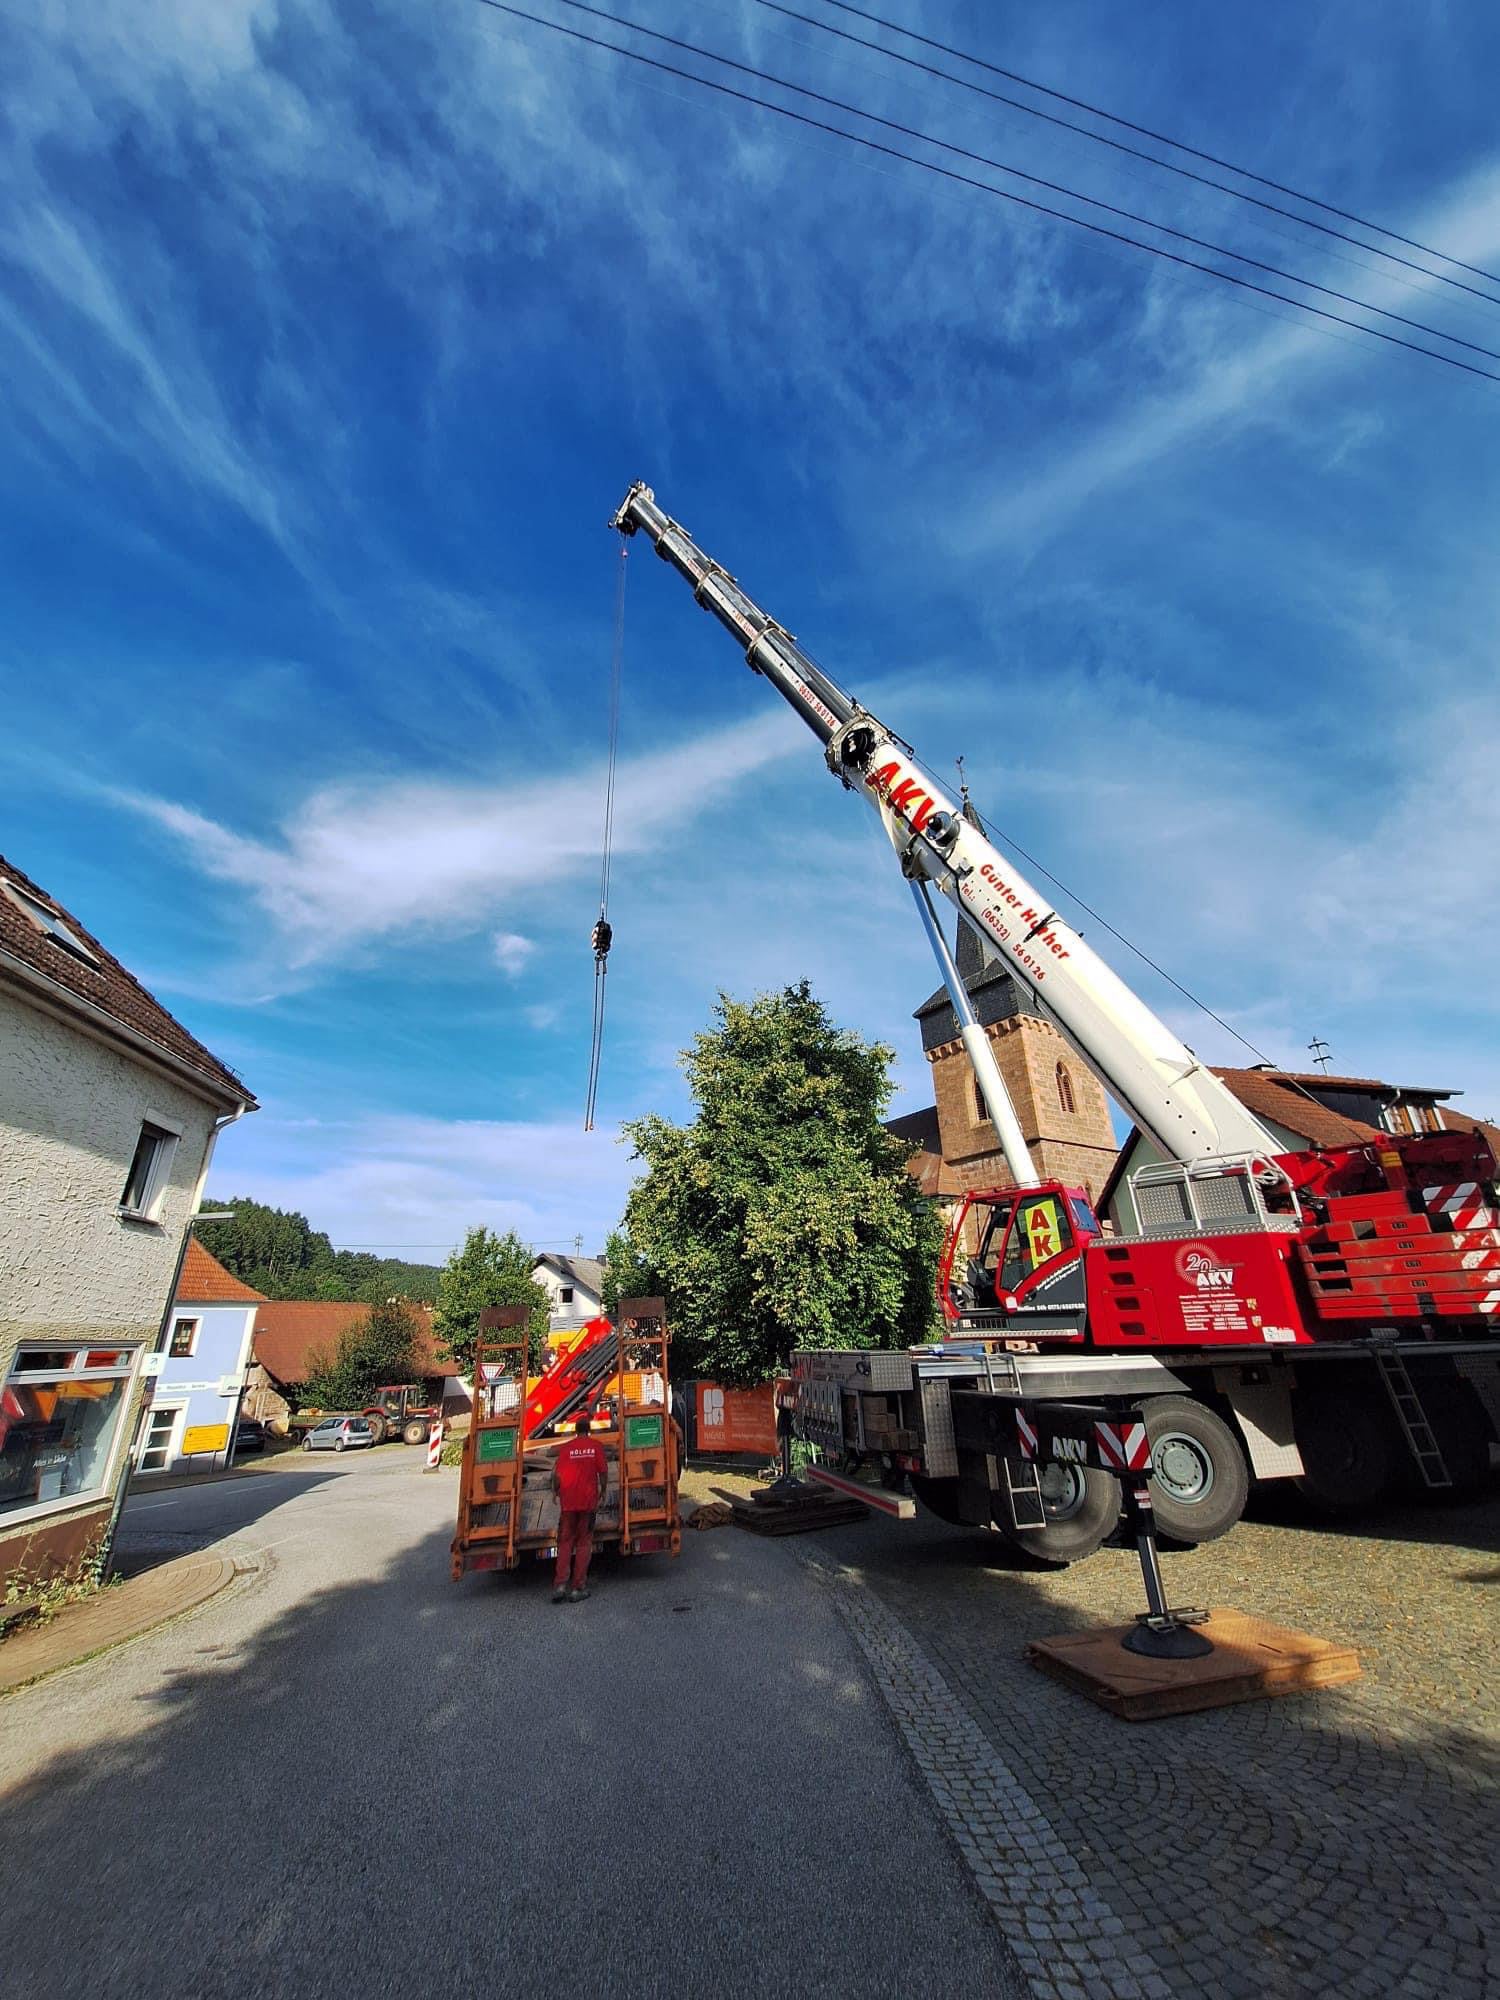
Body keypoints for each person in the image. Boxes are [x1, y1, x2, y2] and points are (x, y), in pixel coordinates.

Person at [550, 1411, 609, 1602]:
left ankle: (559, 1585)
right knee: (584, 1543)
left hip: (568, 1504)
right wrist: (604, 1491)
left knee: (565, 1542)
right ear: (589, 1431)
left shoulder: (566, 1448)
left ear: (575, 1431)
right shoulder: (595, 1446)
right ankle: (578, 1587)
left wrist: (554, 1492)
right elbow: (603, 1472)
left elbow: (557, 1476)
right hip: (588, 1502)